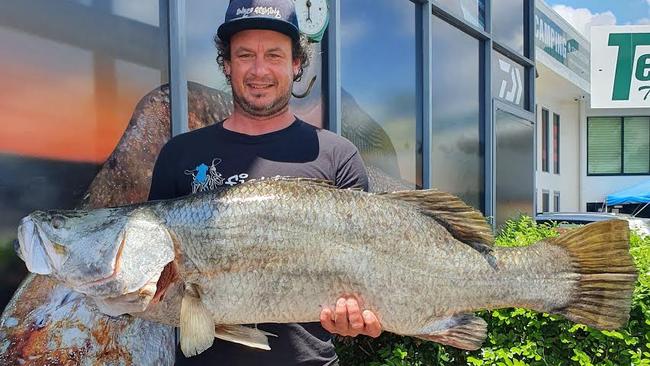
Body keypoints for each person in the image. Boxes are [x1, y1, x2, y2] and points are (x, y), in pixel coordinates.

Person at [148, 0, 382, 364]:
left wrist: (355, 317)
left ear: (296, 63)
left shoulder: (336, 156)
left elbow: (364, 271)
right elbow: (158, 283)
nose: (259, 70)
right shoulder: (179, 155)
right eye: (245, 55)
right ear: (227, 64)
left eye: (274, 55)